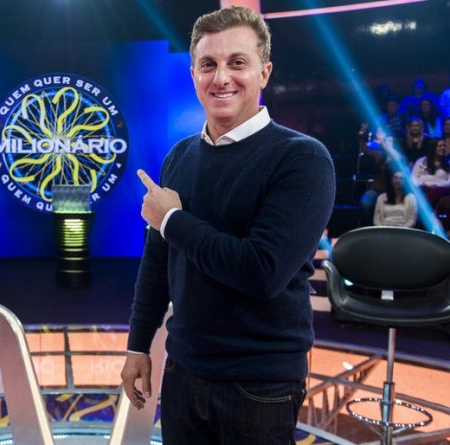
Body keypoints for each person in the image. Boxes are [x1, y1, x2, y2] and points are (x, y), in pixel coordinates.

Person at [120, 7, 335, 444]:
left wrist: (172, 220)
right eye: (208, 65)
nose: (221, 78)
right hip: (183, 371)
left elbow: (261, 271)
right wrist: (138, 345)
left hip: (260, 385)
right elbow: (157, 264)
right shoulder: (180, 156)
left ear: (264, 72)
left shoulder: (302, 159)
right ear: (193, 75)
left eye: (237, 62)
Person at [411, 139, 450, 206]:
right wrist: (423, 184)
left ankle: (423, 207)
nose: (443, 148)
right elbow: (413, 178)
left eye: (444, 146)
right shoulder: (421, 161)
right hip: (422, 187)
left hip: (440, 190)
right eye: (439, 146)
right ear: (433, 148)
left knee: (436, 192)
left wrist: (436, 185)